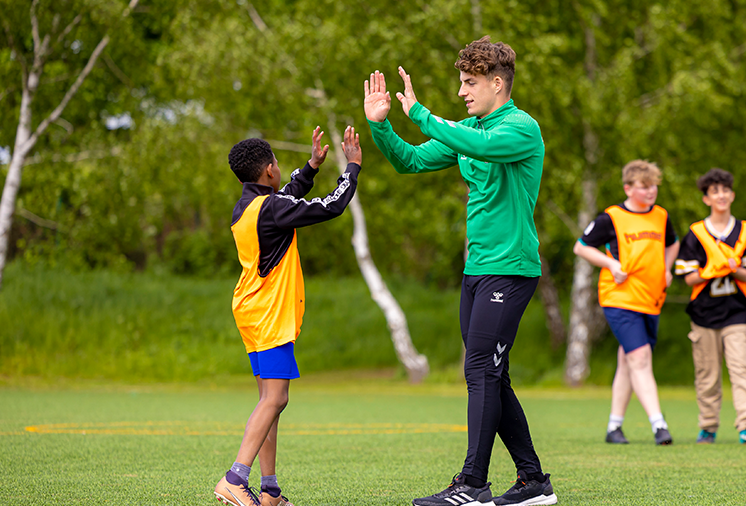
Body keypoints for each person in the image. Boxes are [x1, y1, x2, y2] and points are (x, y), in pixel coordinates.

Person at [364, 36, 557, 506]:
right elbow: (409, 161)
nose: (462, 92)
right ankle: (534, 483)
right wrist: (382, 126)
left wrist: (423, 115)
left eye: (469, 83)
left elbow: (477, 142)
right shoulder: (469, 130)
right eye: (461, 83)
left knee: (478, 368)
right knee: (492, 372)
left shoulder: (520, 128)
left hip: (510, 270)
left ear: (497, 83)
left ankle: (472, 484)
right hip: (477, 271)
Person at [214, 126, 363, 506]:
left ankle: (270, 492)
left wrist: (311, 166)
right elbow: (331, 205)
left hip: (251, 309)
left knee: (270, 400)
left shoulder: (249, 206)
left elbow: (287, 195)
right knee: (276, 399)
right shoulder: (273, 208)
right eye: (277, 163)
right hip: (269, 314)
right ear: (268, 171)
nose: (280, 169)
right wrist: (352, 168)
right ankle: (235, 479)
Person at [573, 160, 679, 445]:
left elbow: (673, 242)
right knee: (640, 358)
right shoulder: (612, 217)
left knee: (628, 360)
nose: (650, 192)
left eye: (653, 186)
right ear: (628, 188)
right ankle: (659, 425)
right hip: (619, 297)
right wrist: (611, 263)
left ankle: (614, 427)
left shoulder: (662, 216)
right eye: (644, 187)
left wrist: (668, 268)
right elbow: (581, 247)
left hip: (651, 299)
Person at [673, 168, 746, 445]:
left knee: (741, 369)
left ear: (733, 195)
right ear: (706, 198)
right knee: (707, 375)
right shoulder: (695, 233)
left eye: (725, 190)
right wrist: (710, 271)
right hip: (703, 313)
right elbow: (688, 277)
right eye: (714, 191)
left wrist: (735, 270)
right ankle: (708, 427)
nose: (721, 195)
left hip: (736, 311)